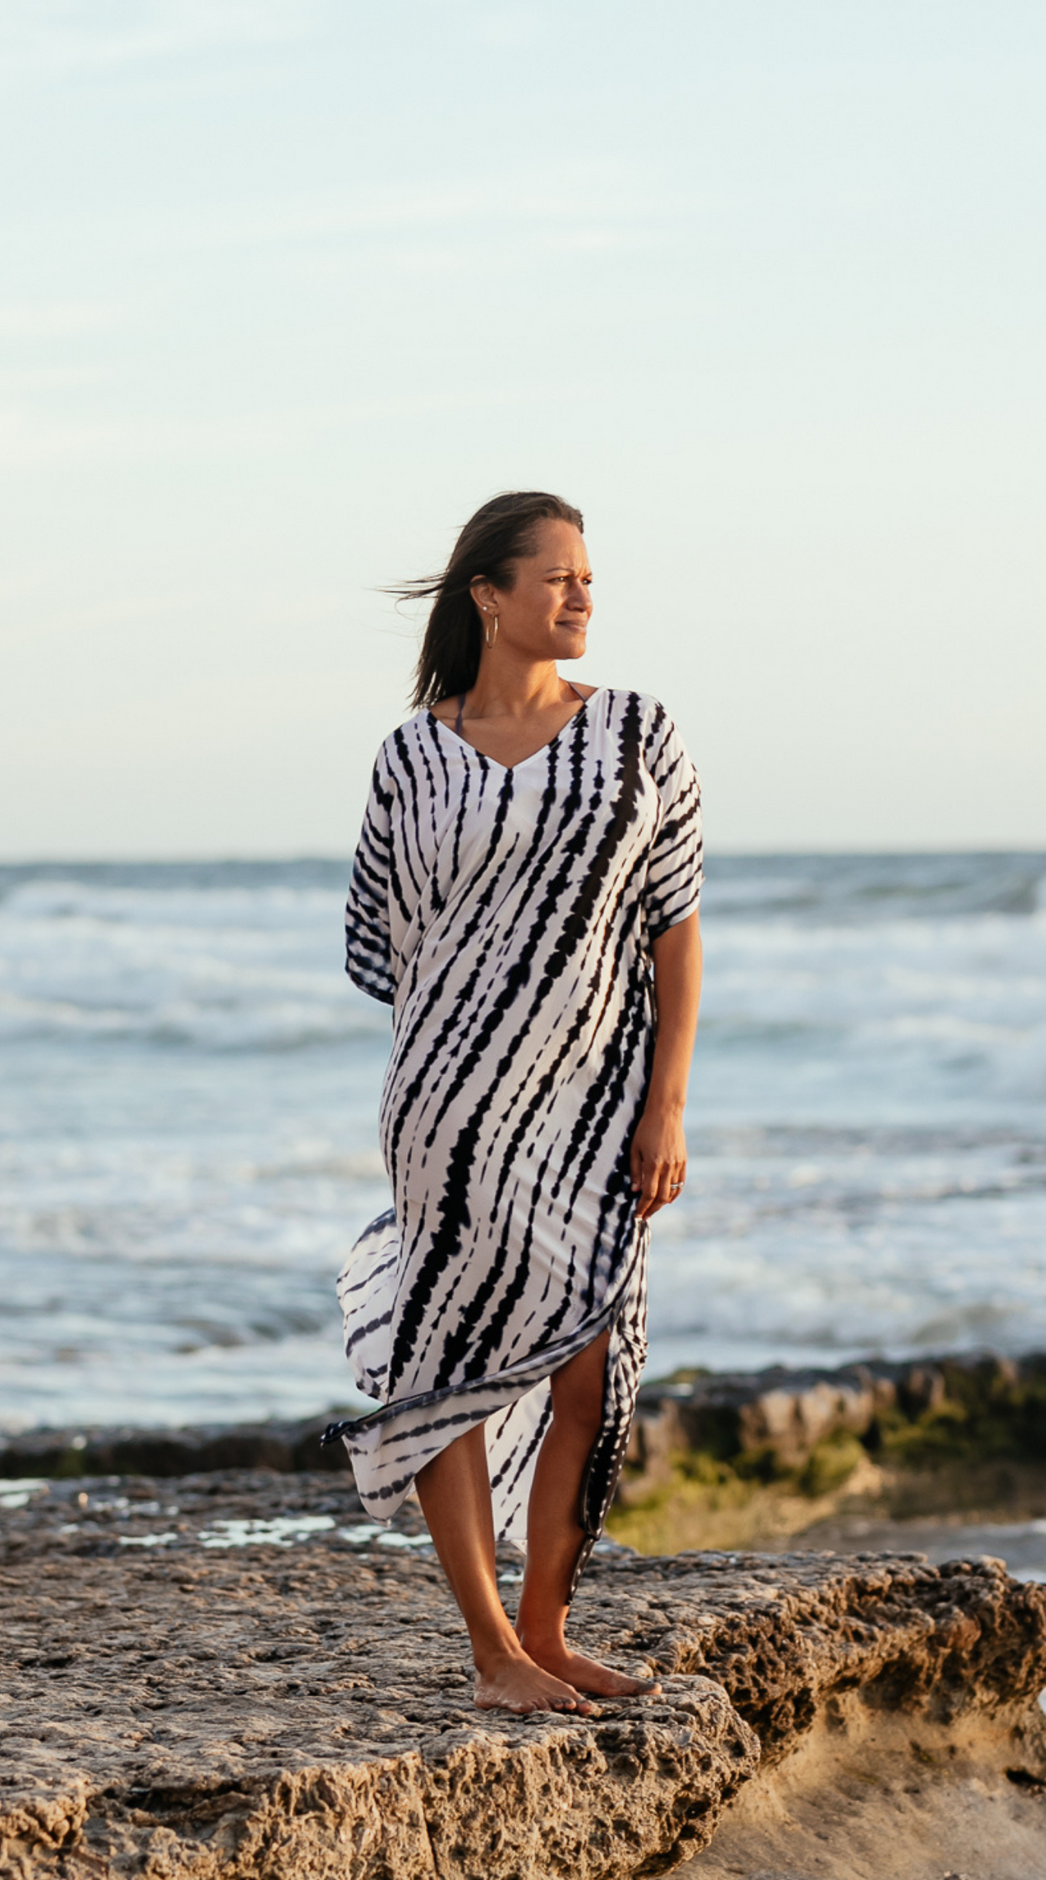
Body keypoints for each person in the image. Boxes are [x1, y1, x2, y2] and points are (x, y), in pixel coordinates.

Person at [327, 490, 703, 1715]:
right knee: (443, 1358)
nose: (582, 595)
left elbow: (674, 930)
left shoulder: (638, 736)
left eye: (588, 576)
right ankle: (492, 1651)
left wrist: (666, 1106)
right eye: (557, 576)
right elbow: (390, 942)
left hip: (596, 1105)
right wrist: (457, 1070)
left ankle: (545, 1626)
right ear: (488, 595)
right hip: (447, 1113)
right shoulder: (410, 756)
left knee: (591, 1367)